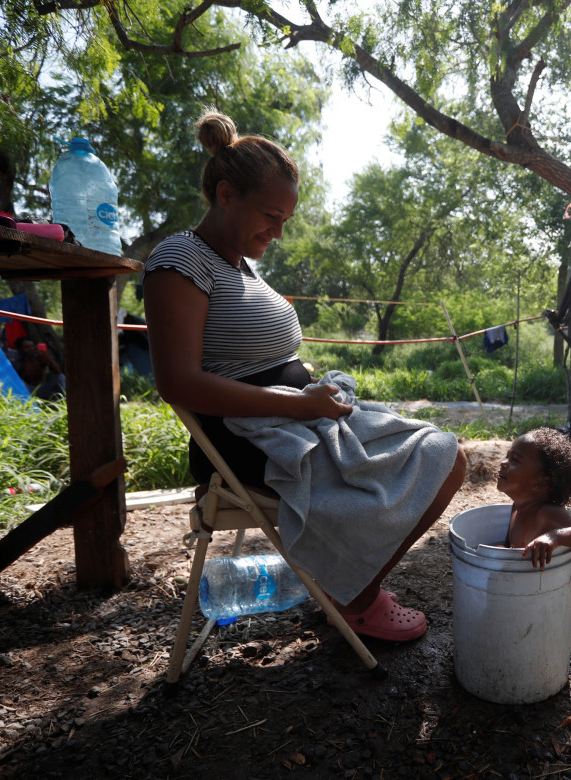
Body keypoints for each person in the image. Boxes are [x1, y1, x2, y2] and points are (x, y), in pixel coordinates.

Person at [142, 110, 467, 642]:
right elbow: (179, 383)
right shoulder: (179, 260)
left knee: (443, 452)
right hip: (250, 439)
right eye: (271, 215)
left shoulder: (239, 265)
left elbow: (256, 351)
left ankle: (349, 584)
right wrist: (299, 404)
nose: (278, 230)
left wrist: (314, 388)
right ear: (226, 194)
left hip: (295, 415)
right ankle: (356, 598)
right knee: (443, 458)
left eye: (285, 220)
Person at [496, 428, 571, 568]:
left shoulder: (546, 514)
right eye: (507, 456)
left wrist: (555, 537)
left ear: (541, 482)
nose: (503, 463)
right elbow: (511, 546)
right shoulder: (516, 509)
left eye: (515, 460)